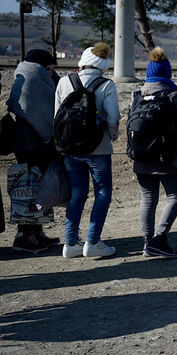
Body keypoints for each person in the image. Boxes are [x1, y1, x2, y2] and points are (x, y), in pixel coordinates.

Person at [56, 43, 121, 259]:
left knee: (77, 193)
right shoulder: (106, 85)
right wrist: (112, 136)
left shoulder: (64, 82)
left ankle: (70, 243)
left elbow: (57, 117)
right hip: (98, 148)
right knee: (102, 192)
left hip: (70, 149)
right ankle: (93, 241)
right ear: (103, 65)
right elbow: (113, 117)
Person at [130, 48, 177, 258]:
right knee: (176, 197)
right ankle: (159, 239)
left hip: (141, 157)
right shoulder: (173, 95)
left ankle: (147, 243)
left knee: (148, 200)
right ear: (168, 74)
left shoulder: (137, 96)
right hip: (167, 158)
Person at [6, 48, 60, 253]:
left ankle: (36, 232)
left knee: (37, 188)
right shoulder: (34, 82)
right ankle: (25, 234)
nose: (51, 72)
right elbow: (42, 115)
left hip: (28, 144)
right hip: (33, 145)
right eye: (49, 68)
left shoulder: (27, 76)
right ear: (40, 67)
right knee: (30, 189)